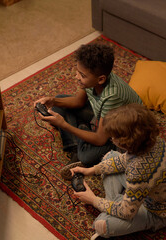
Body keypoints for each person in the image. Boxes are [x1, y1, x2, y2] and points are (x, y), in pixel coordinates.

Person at [70, 103, 166, 239]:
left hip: (158, 212)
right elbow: (124, 160)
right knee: (110, 157)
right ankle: (117, 203)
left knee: (101, 225)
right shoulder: (153, 142)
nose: (111, 140)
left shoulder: (138, 169)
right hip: (152, 190)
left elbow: (127, 213)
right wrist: (91, 170)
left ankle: (115, 207)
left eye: (113, 137)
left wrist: (93, 200)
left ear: (127, 141)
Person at [34, 43, 142, 173]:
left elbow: (100, 140)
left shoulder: (112, 96)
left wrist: (64, 125)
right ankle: (76, 146)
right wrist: (53, 100)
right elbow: (78, 102)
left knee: (87, 157)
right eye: (77, 72)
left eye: (82, 75)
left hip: (123, 131)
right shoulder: (93, 80)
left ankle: (80, 136)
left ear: (101, 79)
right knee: (58, 103)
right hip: (104, 116)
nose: (76, 77)